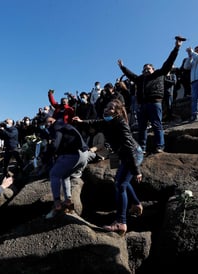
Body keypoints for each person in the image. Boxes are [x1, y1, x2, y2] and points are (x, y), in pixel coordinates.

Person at [73, 99, 143, 236]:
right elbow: (95, 122)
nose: (107, 109)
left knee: (120, 185)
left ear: (117, 112)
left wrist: (136, 171)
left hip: (133, 155)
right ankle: (135, 204)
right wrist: (81, 121)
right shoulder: (107, 121)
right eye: (106, 106)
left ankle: (121, 222)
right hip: (124, 155)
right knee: (119, 181)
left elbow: (129, 148)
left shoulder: (121, 124)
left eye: (111, 108)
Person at [118, 37, 183, 154]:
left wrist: (176, 48)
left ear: (153, 69)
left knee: (156, 125)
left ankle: (160, 146)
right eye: (144, 69)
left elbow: (169, 61)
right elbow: (131, 75)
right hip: (142, 105)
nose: (146, 70)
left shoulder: (159, 74)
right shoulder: (140, 79)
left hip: (155, 103)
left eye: (148, 68)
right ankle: (142, 148)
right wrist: (123, 67)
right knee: (142, 128)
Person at [44, 116, 89, 219]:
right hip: (84, 154)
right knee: (65, 175)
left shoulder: (57, 127)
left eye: (46, 125)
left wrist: (46, 157)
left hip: (73, 154)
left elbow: (55, 146)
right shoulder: (66, 125)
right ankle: (68, 201)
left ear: (51, 121)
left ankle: (57, 204)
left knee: (54, 174)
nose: (46, 127)